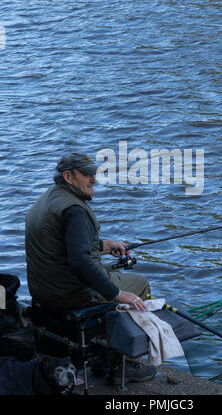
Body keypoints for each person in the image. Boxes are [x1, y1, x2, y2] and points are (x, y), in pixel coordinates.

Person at [25, 152, 156, 384]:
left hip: (43, 290)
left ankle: (104, 348)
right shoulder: (75, 210)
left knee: (108, 274)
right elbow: (80, 263)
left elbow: (62, 243)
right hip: (70, 293)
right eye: (87, 175)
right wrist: (117, 294)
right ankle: (121, 364)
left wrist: (105, 245)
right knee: (139, 285)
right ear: (68, 176)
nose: (93, 180)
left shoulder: (47, 200)